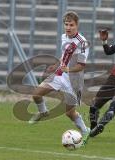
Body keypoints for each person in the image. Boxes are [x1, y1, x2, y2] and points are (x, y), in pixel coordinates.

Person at [29, 11, 90, 144]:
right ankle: (43, 112)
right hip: (59, 75)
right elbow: (64, 56)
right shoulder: (64, 37)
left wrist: (69, 69)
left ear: (77, 25)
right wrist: (56, 65)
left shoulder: (82, 43)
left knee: (69, 113)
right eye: (66, 24)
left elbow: (81, 65)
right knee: (36, 94)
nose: (68, 27)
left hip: (74, 81)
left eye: (71, 25)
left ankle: (85, 131)